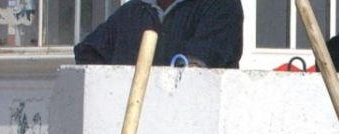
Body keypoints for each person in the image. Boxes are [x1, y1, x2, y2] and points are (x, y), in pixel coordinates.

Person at [74, 0, 243, 68]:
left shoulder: (220, 7)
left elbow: (196, 68)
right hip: (129, 127)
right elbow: (88, 55)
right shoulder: (132, 11)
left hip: (191, 129)